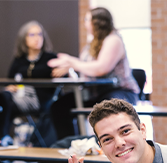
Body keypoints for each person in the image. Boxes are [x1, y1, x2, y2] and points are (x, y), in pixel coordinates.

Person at [47, 7, 140, 140]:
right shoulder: (93, 43)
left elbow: (101, 68)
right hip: (95, 93)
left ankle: (103, 147)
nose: (85, 23)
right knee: (59, 106)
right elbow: (86, 67)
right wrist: (69, 66)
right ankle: (71, 146)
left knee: (108, 108)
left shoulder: (113, 40)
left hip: (120, 91)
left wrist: (72, 62)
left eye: (87, 20)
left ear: (96, 22)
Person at [0, 21, 57, 145]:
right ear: (24, 39)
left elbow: (63, 76)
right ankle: (4, 137)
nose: (37, 38)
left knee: (5, 100)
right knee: (3, 96)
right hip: (20, 96)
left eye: (39, 34)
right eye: (32, 35)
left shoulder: (50, 58)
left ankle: (4, 137)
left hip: (41, 99)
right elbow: (10, 80)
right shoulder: (19, 60)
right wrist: (11, 87)